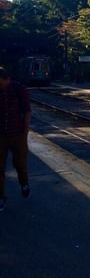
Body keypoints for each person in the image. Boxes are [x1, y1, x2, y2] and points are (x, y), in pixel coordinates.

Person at [0, 66, 32, 211]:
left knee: (20, 163)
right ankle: (1, 197)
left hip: (17, 133)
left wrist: (25, 133)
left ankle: (24, 183)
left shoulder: (20, 90)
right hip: (1, 134)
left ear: (7, 79)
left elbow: (26, 112)